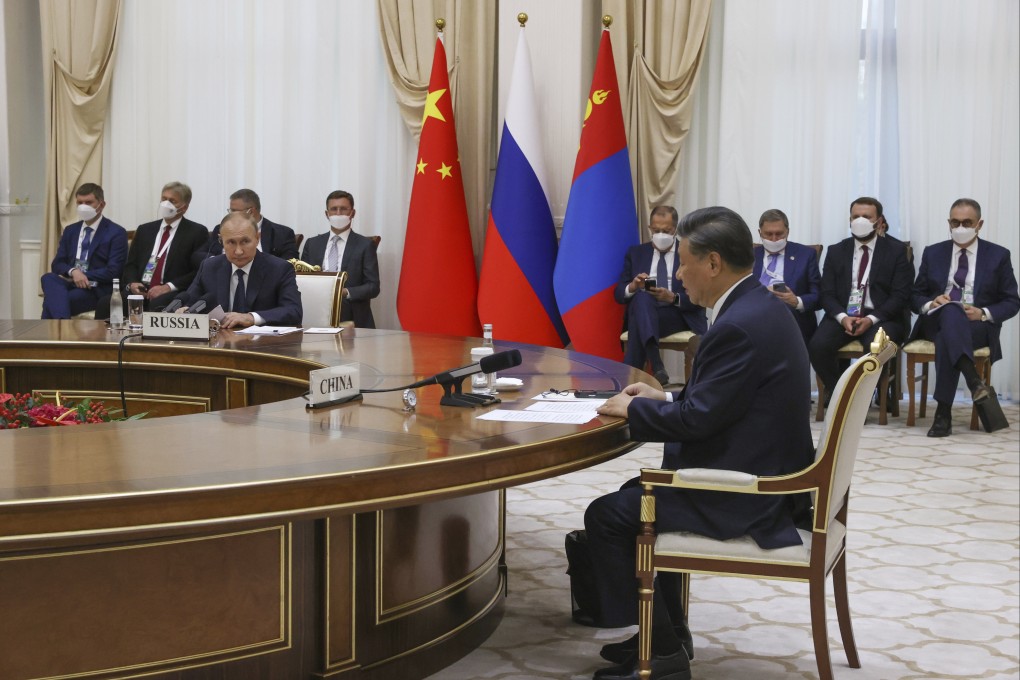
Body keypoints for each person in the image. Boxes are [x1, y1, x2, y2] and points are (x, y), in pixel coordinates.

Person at [585, 206, 814, 680]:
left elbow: (699, 420)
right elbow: (725, 396)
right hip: (764, 468)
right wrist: (663, 394)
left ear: (712, 264)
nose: (679, 274)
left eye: (685, 262)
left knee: (608, 516)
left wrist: (634, 410)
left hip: (748, 494)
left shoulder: (737, 324)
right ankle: (666, 633)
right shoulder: (758, 306)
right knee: (635, 493)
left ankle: (662, 650)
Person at [909, 198, 1018, 437]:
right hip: (935, 319)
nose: (960, 227)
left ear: (979, 224)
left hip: (976, 325)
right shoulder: (934, 252)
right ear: (948, 223)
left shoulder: (998, 255)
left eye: (966, 222)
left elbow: (1012, 302)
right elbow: (915, 295)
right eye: (955, 222)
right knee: (949, 311)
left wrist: (983, 313)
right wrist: (931, 302)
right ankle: (973, 380)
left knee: (948, 335)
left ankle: (943, 414)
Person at [808, 196, 913, 405]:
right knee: (817, 346)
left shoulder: (896, 251)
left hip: (882, 317)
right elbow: (826, 293)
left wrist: (872, 319)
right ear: (849, 220)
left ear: (879, 220)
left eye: (866, 216)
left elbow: (900, 295)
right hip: (844, 315)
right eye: (856, 216)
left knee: (875, 349)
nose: (860, 220)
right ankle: (841, 394)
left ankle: (860, 399)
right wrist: (842, 317)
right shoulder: (836, 250)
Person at [614, 206, 707, 385]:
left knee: (638, 322)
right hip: (646, 311)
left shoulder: (691, 252)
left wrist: (672, 297)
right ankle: (656, 364)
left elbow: (702, 295)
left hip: (677, 315)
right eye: (656, 230)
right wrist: (633, 286)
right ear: (650, 228)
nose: (661, 234)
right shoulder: (636, 253)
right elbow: (618, 295)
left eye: (666, 230)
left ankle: (628, 383)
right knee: (642, 298)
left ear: (676, 229)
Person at [96, 181, 209, 317]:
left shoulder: (196, 232)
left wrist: (168, 287)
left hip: (172, 291)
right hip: (141, 290)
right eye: (164, 199)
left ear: (184, 207)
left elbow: (198, 270)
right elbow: (131, 264)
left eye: (172, 201)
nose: (166, 204)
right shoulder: (145, 230)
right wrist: (132, 283)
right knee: (105, 303)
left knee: (157, 304)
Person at [173, 212, 302, 329]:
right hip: (219, 344)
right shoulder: (209, 267)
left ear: (257, 238)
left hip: (261, 346)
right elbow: (190, 301)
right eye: (231, 242)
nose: (238, 251)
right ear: (221, 241)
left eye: (245, 241)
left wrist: (251, 318)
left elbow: (293, 311)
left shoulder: (279, 268)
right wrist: (184, 310)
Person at [41, 183, 128, 319]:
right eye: (80, 203)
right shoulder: (71, 231)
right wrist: (74, 272)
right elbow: (57, 264)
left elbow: (114, 271)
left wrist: (84, 275)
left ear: (101, 205)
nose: (83, 206)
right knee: (48, 278)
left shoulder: (116, 232)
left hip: (95, 288)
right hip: (70, 281)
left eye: (88, 202)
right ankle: (61, 330)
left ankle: (56, 334)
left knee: (51, 302)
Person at [300, 190, 380, 328]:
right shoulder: (312, 244)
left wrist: (344, 292)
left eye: (343, 209)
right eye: (334, 209)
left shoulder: (365, 245)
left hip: (350, 312)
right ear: (327, 214)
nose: (338, 213)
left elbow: (373, 287)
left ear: (352, 213)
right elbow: (301, 280)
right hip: (315, 310)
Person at [752, 208, 822, 345]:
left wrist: (797, 301)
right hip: (754, 314)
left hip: (791, 316)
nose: (774, 239)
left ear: (787, 232)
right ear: (759, 233)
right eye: (768, 234)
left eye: (779, 234)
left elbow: (818, 295)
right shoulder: (748, 256)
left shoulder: (806, 255)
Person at [192, 188, 298, 264]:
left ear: (250, 211)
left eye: (234, 211)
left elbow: (290, 262)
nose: (230, 214)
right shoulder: (221, 229)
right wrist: (218, 261)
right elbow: (198, 255)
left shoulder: (282, 233)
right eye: (230, 210)